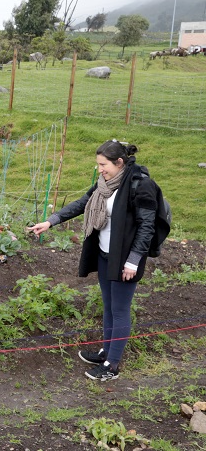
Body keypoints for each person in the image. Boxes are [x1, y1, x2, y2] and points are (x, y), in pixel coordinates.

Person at [27, 140, 158, 382]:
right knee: (108, 306)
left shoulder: (141, 185)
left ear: (119, 162)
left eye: (103, 164)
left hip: (126, 259)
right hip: (105, 254)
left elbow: (147, 227)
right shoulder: (104, 184)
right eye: (98, 164)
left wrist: (133, 261)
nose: (100, 169)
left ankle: (112, 366)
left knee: (120, 310)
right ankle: (106, 352)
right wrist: (51, 221)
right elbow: (82, 203)